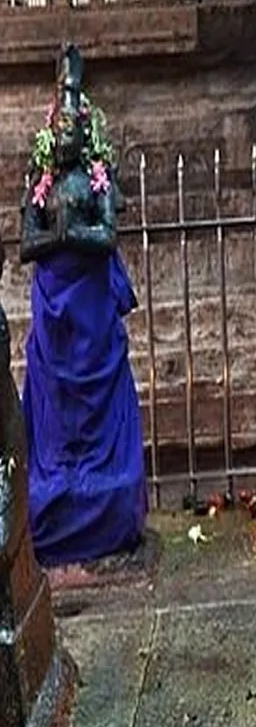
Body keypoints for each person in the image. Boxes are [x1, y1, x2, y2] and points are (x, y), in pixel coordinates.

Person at [20, 44, 147, 567]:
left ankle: (107, 486)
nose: (67, 137)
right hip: (56, 312)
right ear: (52, 136)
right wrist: (57, 234)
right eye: (61, 130)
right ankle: (58, 484)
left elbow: (108, 234)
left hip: (91, 310)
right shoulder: (42, 184)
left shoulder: (97, 181)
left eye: (75, 130)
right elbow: (27, 242)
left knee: (100, 398)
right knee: (55, 406)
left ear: (86, 134)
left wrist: (76, 231)